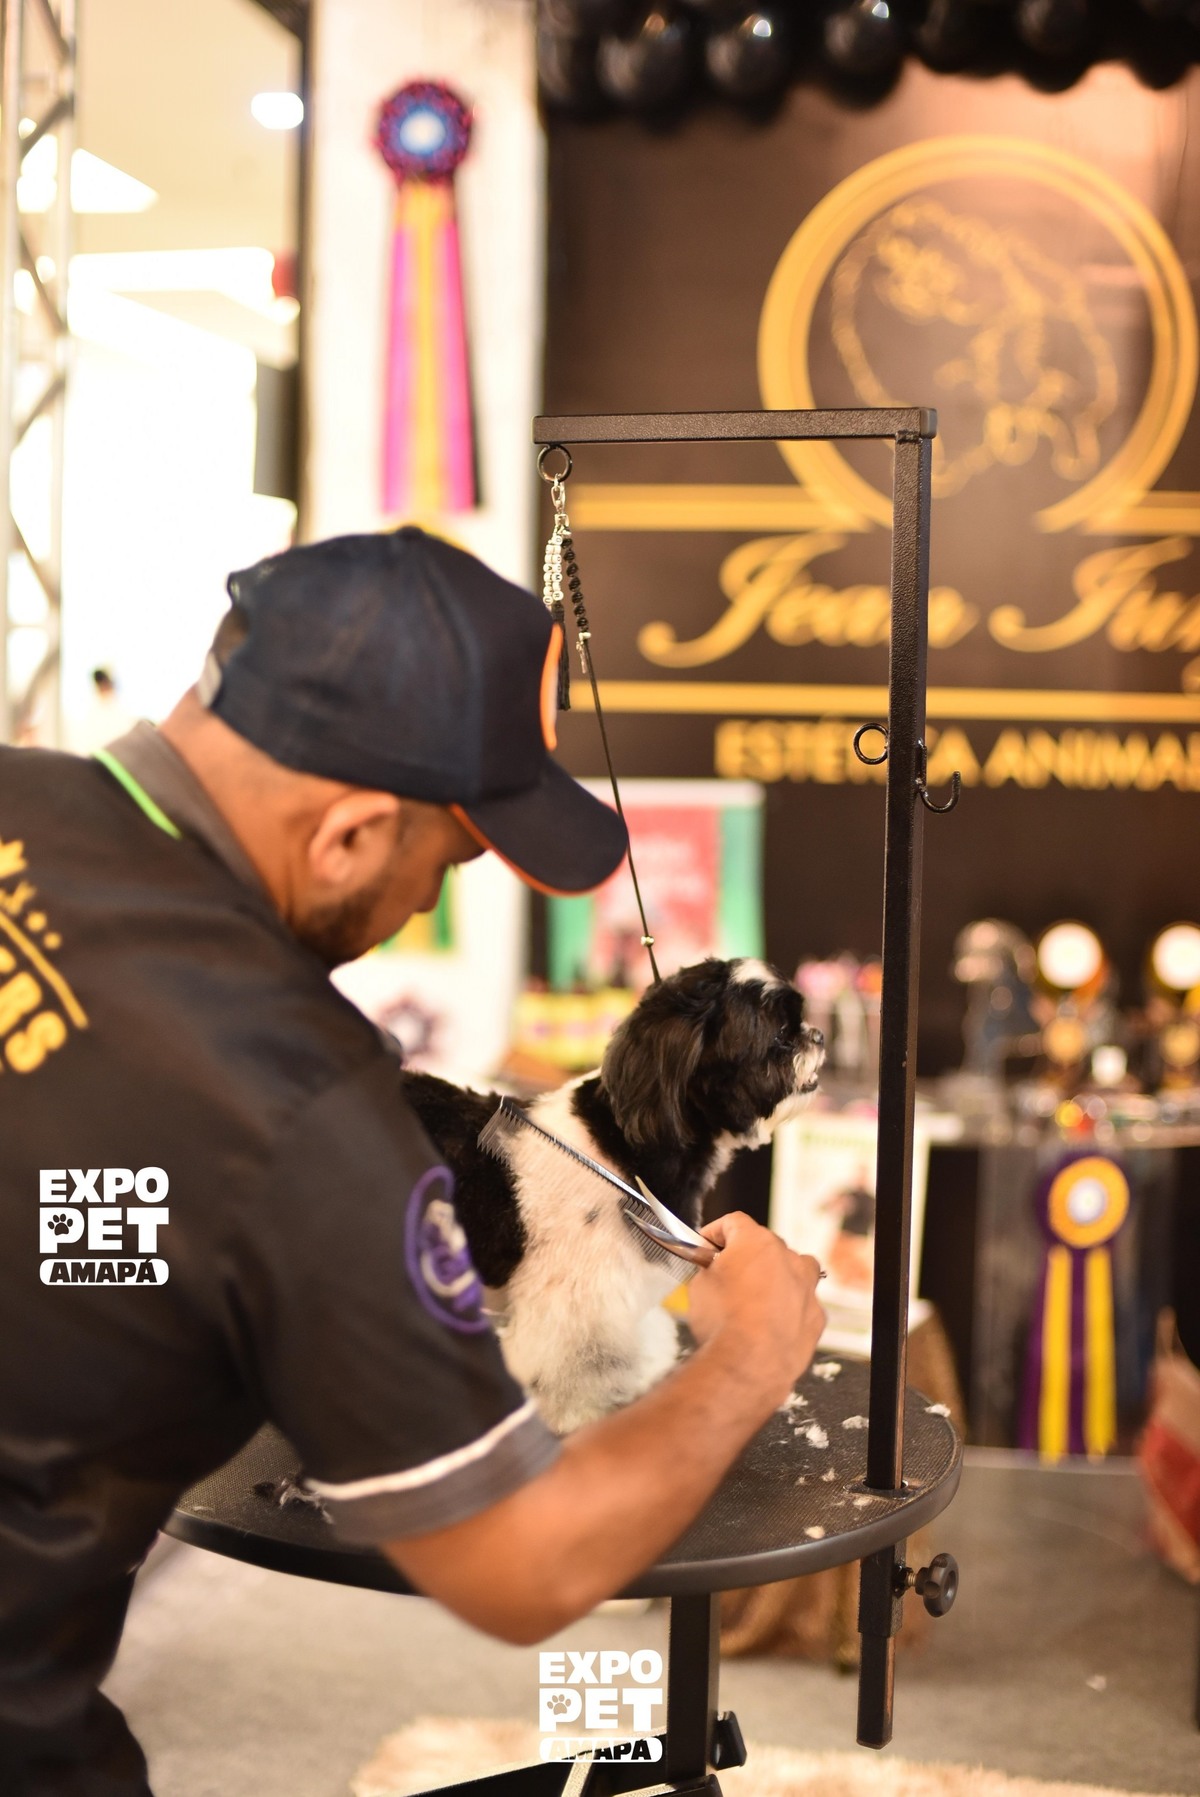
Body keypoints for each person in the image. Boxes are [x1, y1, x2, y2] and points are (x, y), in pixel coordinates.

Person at [0, 526, 825, 1795]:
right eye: (443, 864)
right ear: (346, 836)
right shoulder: (300, 1105)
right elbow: (526, 1562)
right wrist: (756, 1349)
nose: (427, 905)